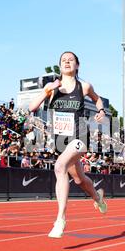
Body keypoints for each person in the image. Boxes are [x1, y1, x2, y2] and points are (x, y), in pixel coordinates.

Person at [29, 51, 108, 239]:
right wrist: (47, 90)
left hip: (80, 137)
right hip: (61, 142)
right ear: (59, 65)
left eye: (70, 59)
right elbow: (32, 107)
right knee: (79, 180)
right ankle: (98, 198)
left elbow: (98, 99)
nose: (67, 61)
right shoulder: (51, 87)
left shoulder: (84, 86)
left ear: (77, 65)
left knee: (59, 167)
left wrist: (101, 111)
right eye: (63, 60)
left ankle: (60, 219)